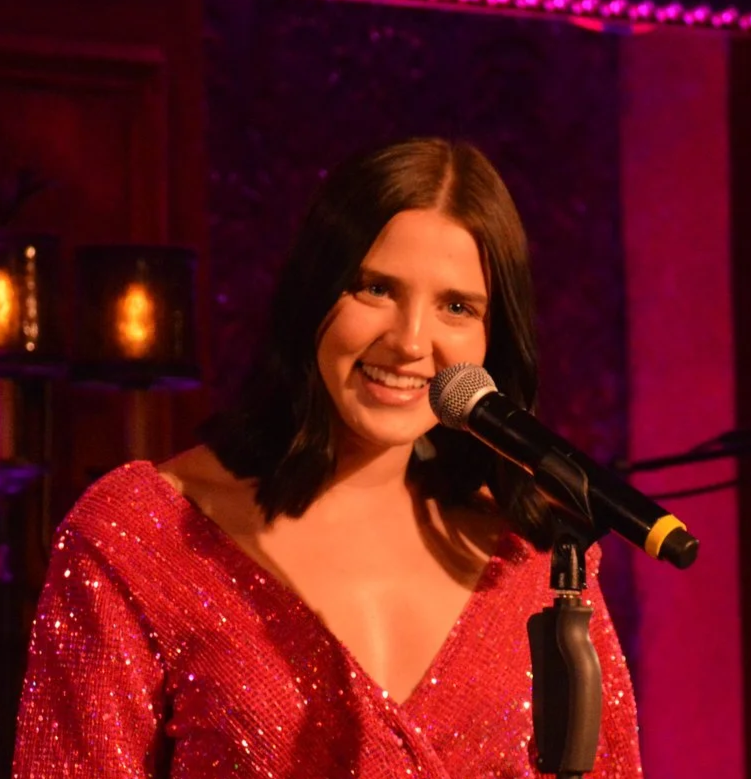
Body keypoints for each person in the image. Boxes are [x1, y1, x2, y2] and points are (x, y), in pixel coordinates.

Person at [13, 137, 642, 778]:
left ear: (491, 339)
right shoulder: (141, 539)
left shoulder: (534, 563)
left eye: (456, 307)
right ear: (314, 292)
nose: (410, 342)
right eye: (376, 289)